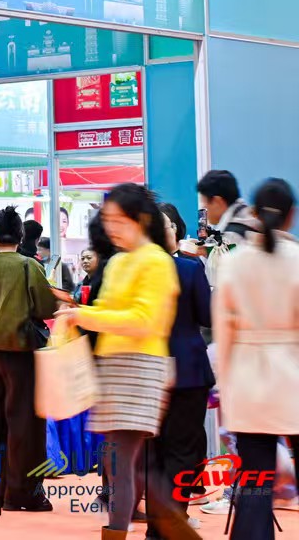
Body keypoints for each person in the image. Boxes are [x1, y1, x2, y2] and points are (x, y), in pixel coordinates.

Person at [57, 183, 196, 540]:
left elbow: (144, 320)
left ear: (141, 220)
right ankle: (175, 530)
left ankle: (128, 531)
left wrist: (84, 316)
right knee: (125, 462)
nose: (111, 228)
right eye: (108, 221)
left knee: (122, 461)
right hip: (112, 365)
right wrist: (79, 315)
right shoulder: (118, 261)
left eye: (118, 220)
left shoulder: (156, 261)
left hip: (141, 366)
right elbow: (108, 311)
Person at [212, 178, 299, 540]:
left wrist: (226, 386)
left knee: (255, 485)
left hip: (248, 383)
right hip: (292, 378)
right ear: (291, 215)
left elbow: (224, 333)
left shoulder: (234, 264)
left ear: (253, 214)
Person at [0, 206, 58, 512]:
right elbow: (46, 307)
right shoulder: (28, 266)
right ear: (20, 236)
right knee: (25, 423)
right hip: (21, 354)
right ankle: (23, 494)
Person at [147, 202, 213, 535]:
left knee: (154, 451)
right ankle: (173, 524)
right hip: (187, 370)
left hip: (148, 369)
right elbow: (207, 316)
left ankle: (156, 528)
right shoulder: (189, 268)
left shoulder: (135, 270)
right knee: (183, 449)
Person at [199, 170, 259, 286]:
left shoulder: (232, 236)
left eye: (204, 203)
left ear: (217, 201)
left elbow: (221, 281)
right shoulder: (251, 219)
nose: (204, 209)